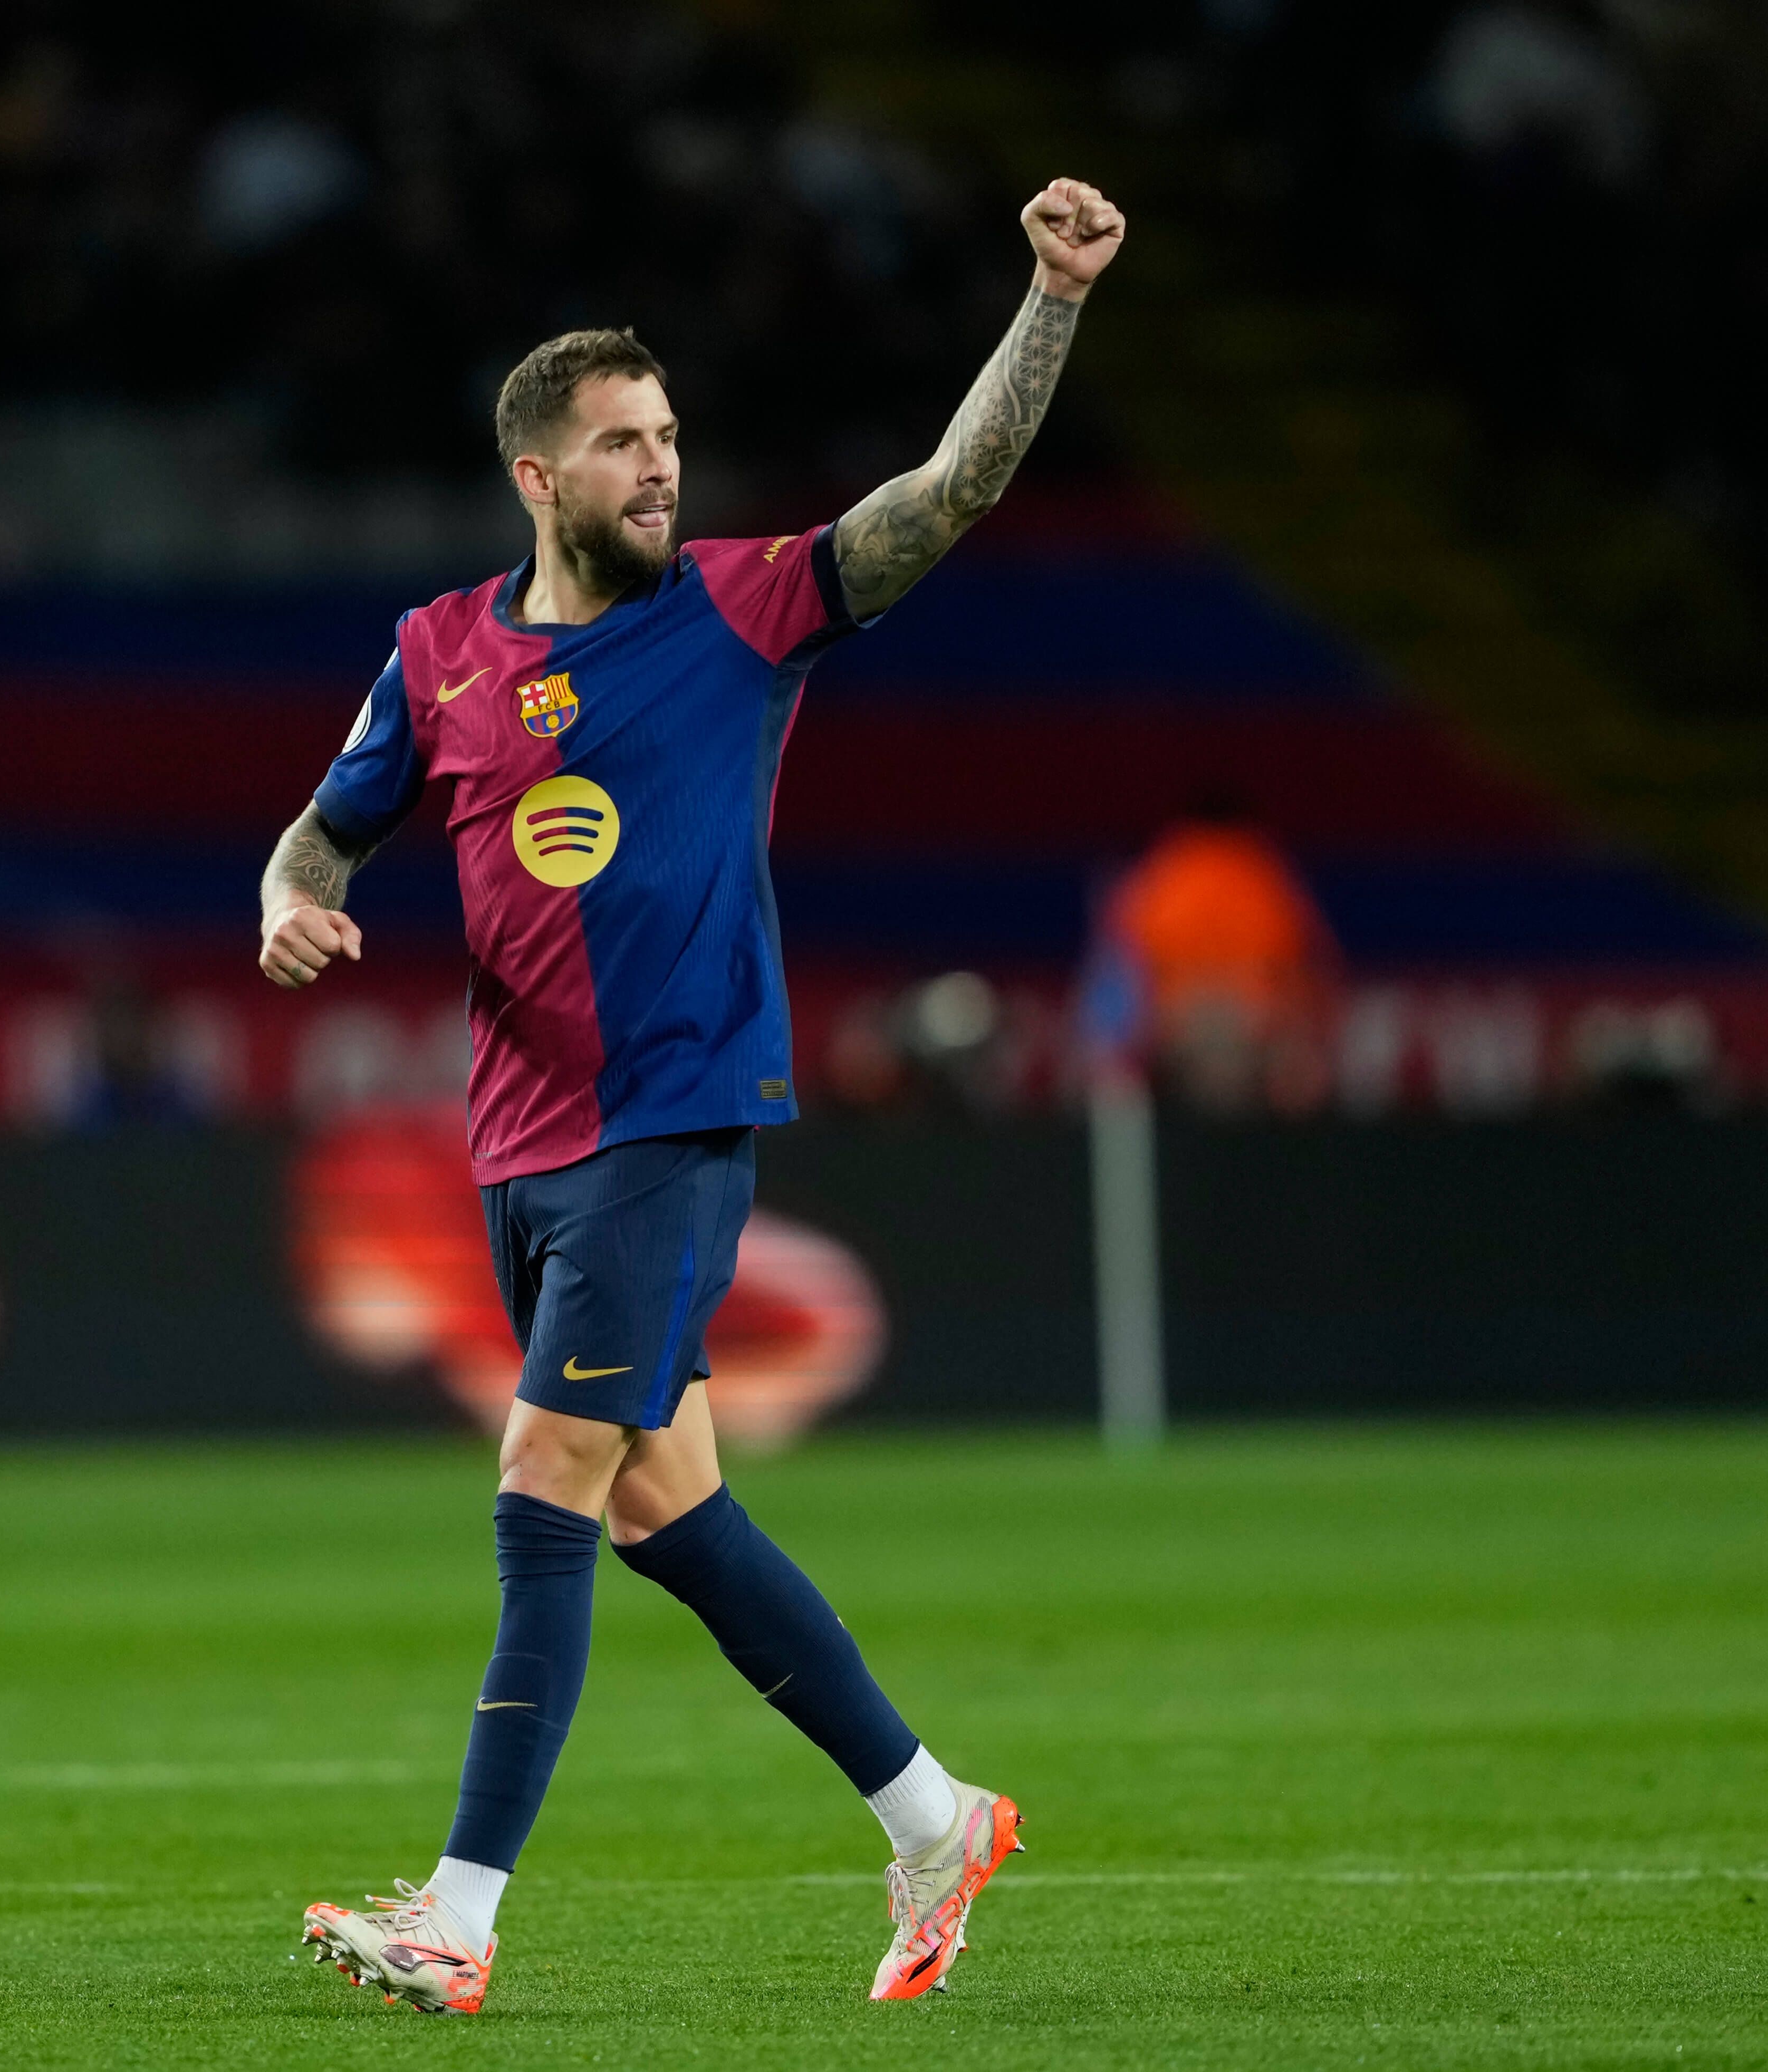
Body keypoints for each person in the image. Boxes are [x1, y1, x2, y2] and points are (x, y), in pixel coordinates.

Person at [258, 175, 1125, 2011]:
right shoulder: (438, 656)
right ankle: (934, 1812)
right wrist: (288, 905)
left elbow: (945, 494)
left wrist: (1048, 299)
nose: (662, 470)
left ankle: (463, 1911)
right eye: (622, 447)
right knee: (667, 1506)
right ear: (537, 478)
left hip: (671, 1123)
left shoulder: (744, 610)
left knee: (542, 1478)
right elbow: (321, 837)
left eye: (668, 438)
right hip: (521, 1144)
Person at [1090, 793, 1340, 1114]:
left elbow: (1116, 979)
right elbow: (1315, 972)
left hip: (1183, 1035)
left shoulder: (1156, 876)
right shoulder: (1267, 875)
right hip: (1247, 1034)